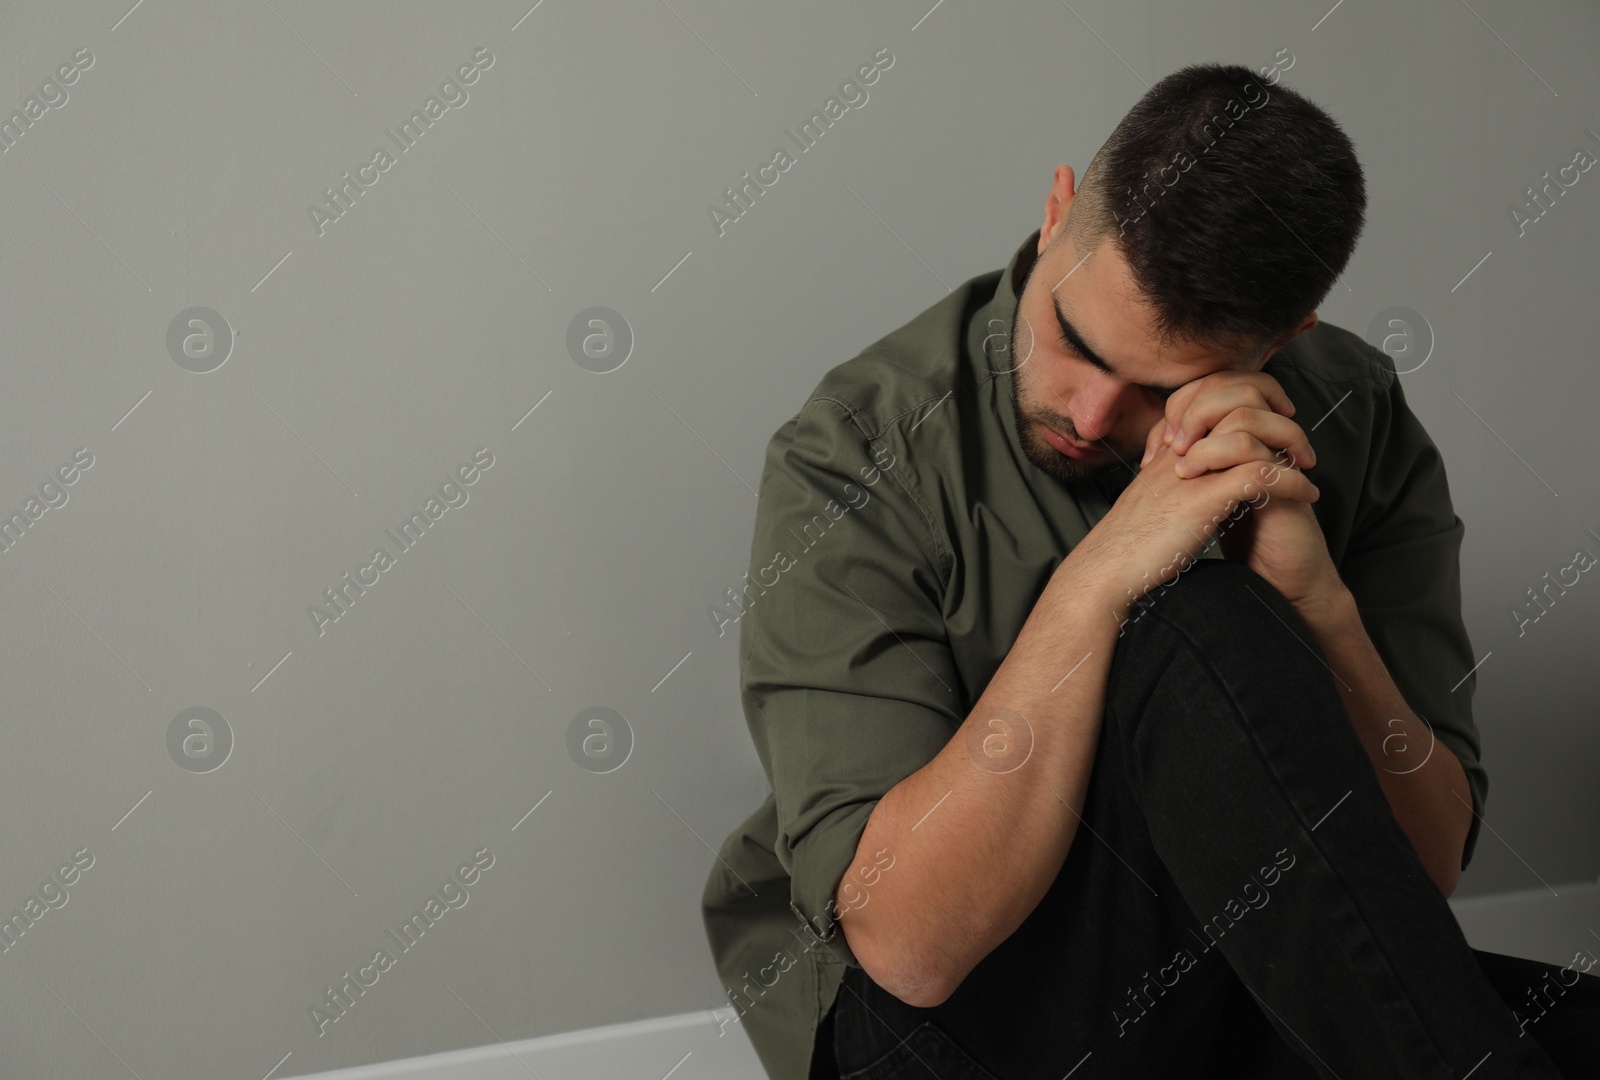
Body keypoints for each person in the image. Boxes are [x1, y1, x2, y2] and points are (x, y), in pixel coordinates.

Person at [700, 63, 1599, 1079]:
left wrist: (1319, 607)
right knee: (1198, 621)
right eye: (1074, 341)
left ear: (1281, 346)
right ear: (1056, 216)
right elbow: (911, 950)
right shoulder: (859, 447)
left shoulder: (1352, 413)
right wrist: (1100, 578)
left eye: (1159, 388)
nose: (1088, 415)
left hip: (1226, 964)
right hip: (932, 1023)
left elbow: (1418, 871)